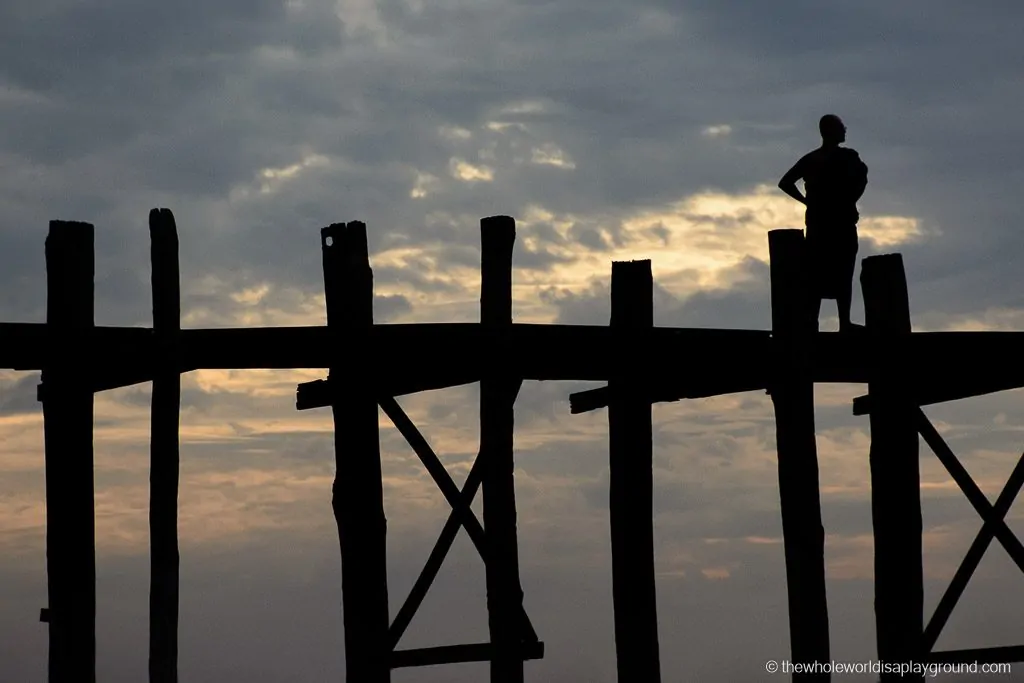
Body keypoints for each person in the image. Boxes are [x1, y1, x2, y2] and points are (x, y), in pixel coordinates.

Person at [778, 114, 868, 333]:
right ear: (830, 131)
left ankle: (816, 323)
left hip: (821, 224)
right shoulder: (845, 158)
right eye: (841, 127)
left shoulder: (814, 159)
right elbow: (862, 178)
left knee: (818, 274)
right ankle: (843, 323)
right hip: (837, 225)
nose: (845, 130)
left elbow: (786, 183)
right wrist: (848, 200)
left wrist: (808, 202)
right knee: (839, 272)